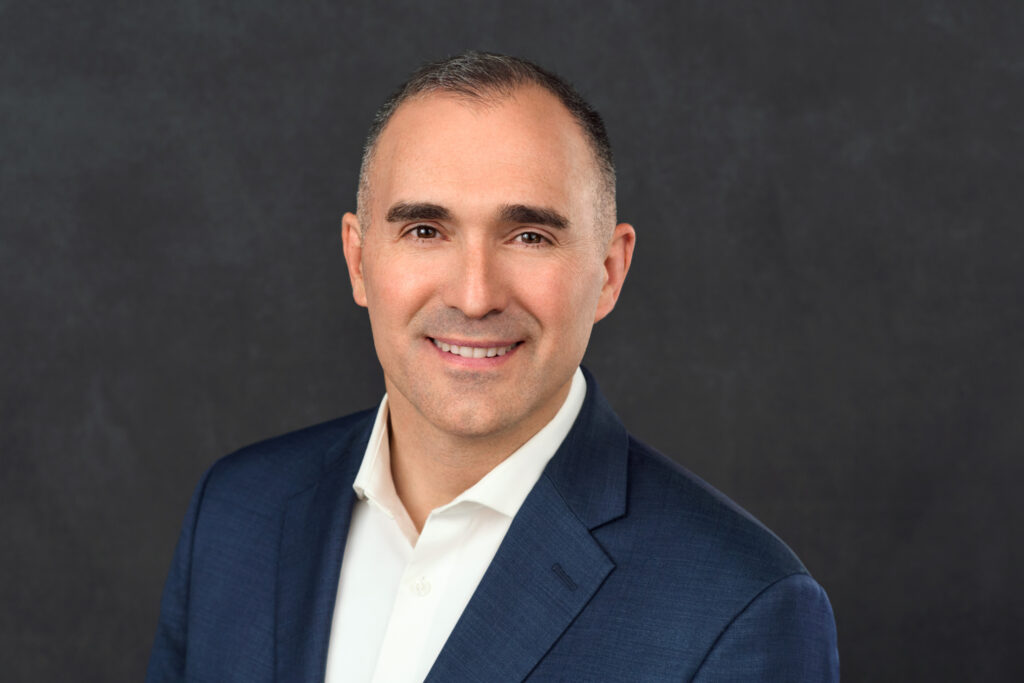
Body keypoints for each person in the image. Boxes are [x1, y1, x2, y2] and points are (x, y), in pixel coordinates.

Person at [147, 51, 839, 682]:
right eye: (425, 230)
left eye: (529, 235)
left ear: (608, 271)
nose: (474, 295)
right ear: (359, 259)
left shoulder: (742, 608)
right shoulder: (235, 512)